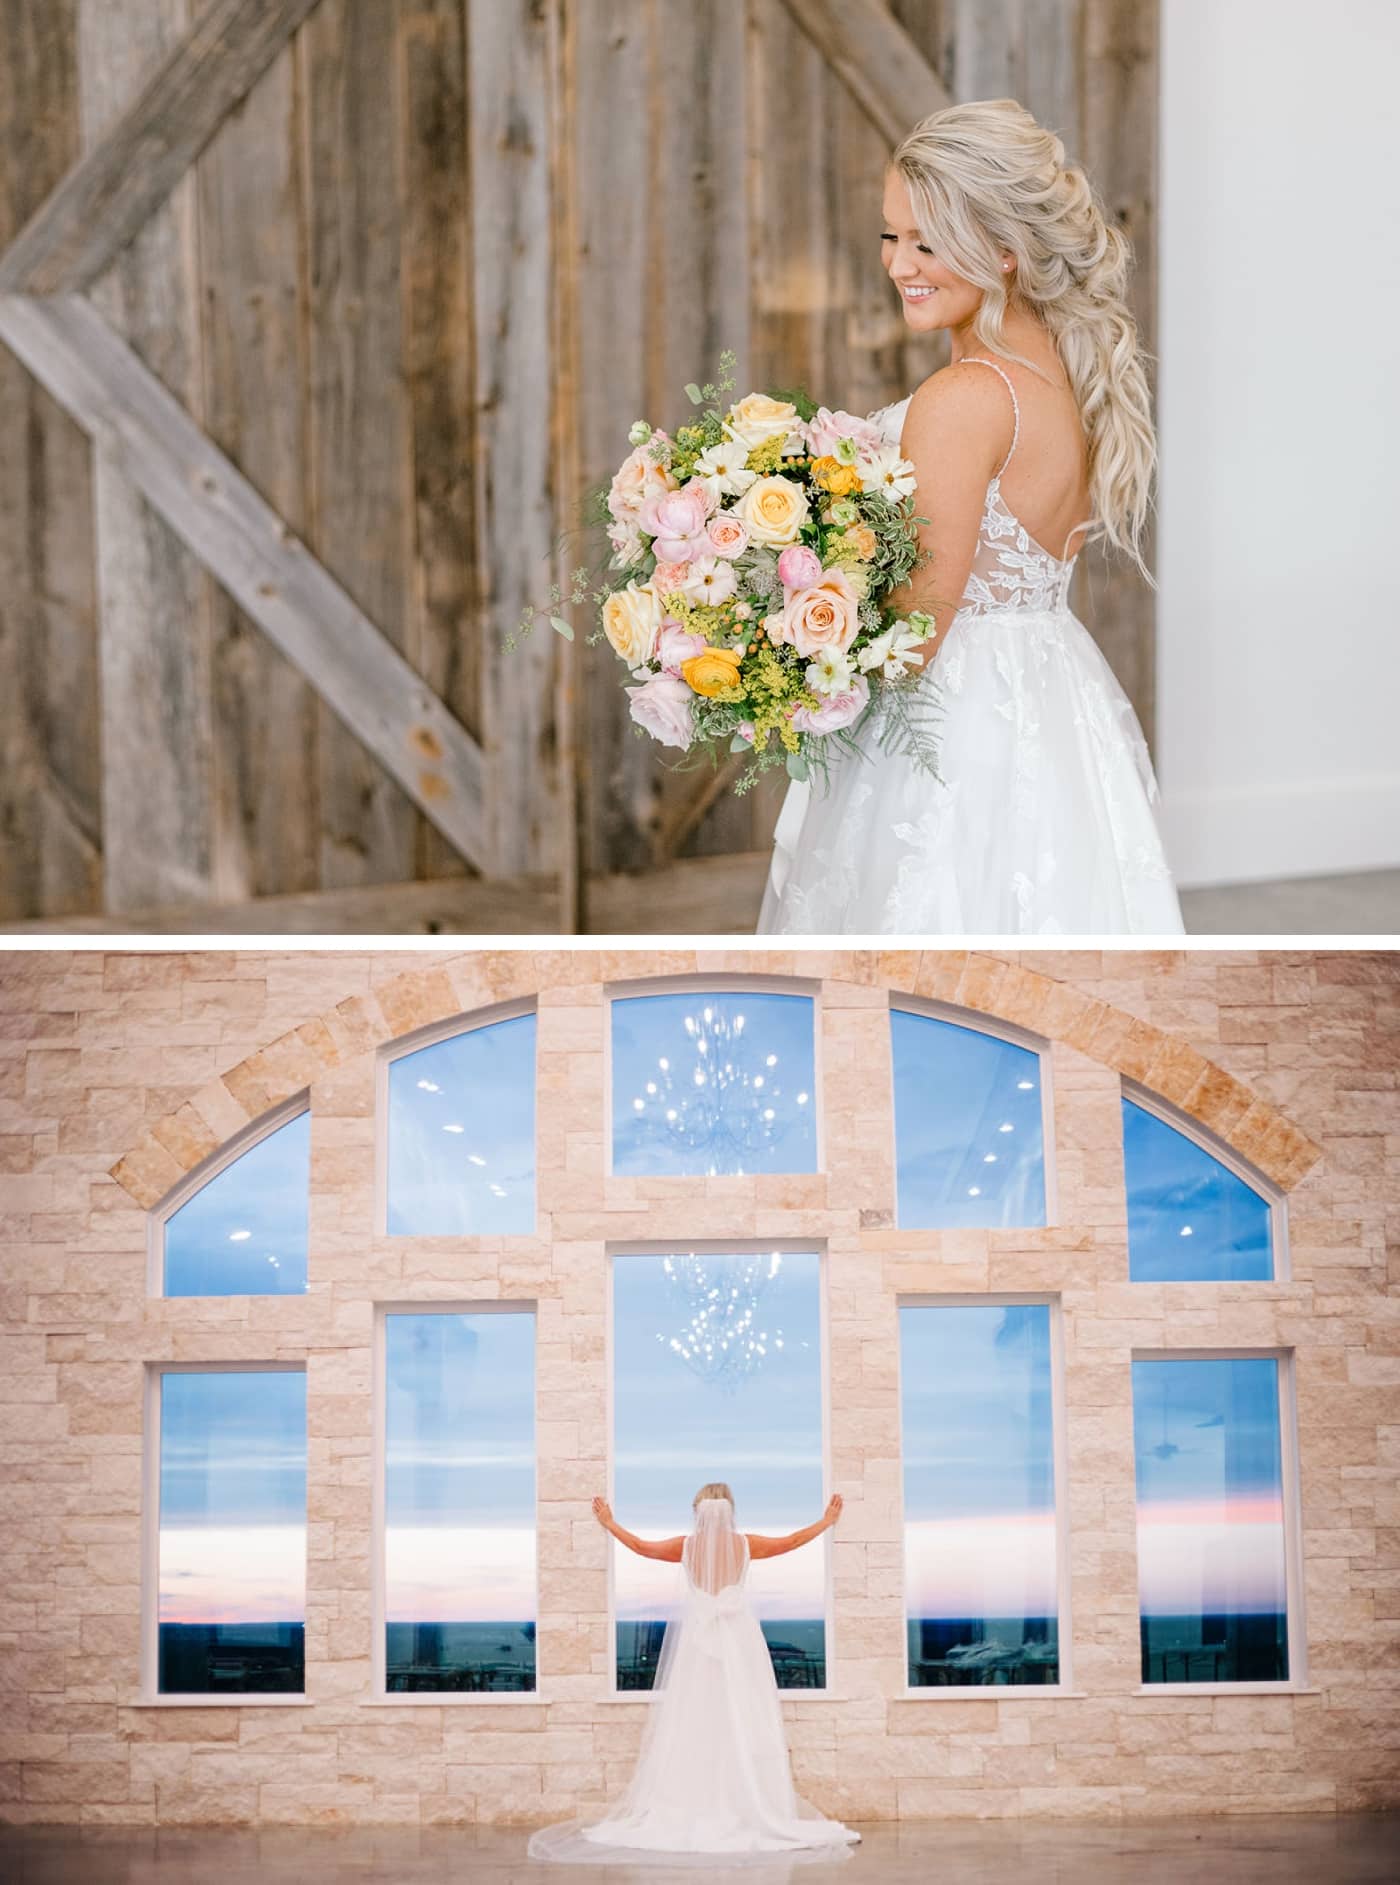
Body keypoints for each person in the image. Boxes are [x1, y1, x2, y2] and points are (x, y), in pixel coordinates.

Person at [757, 97, 1184, 937]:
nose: (900, 264)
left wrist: (767, 636)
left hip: (950, 738)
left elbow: (914, 637)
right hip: (1050, 696)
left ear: (1004, 250)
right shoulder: (1063, 379)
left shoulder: (964, 398)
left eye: (928, 241)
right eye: (892, 235)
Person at [526, 1483, 860, 1867]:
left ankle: (692, 1803)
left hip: (698, 1643)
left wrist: (610, 1524)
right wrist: (826, 1521)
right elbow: (793, 1540)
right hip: (738, 1641)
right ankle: (745, 1802)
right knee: (743, 1717)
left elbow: (639, 1547)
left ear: (697, 1512)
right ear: (730, 1511)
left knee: (694, 1718)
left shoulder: (685, 1547)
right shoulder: (746, 1545)